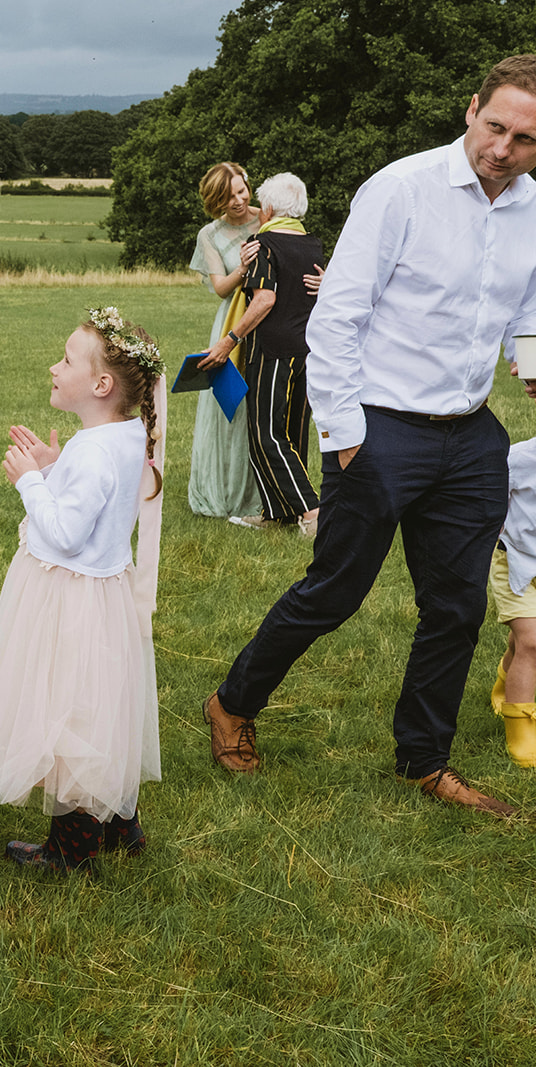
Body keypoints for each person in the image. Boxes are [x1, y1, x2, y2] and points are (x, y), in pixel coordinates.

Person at [202, 54, 536, 818]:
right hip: (378, 427)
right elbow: (338, 317)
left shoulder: (531, 209)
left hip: (471, 436)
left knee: (456, 607)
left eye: (524, 139)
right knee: (334, 591)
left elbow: (526, 313)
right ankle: (231, 702)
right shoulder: (399, 189)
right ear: (471, 108)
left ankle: (424, 759)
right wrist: (348, 439)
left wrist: (531, 361)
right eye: (495, 126)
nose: (503, 148)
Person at [0, 307, 165, 873]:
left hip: (67, 599)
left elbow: (66, 534)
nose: (54, 366)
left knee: (67, 713)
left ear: (101, 385)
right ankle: (121, 819)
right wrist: (56, 469)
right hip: (101, 599)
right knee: (102, 708)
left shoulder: (96, 450)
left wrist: (29, 481)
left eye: (67, 359)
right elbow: (94, 506)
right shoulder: (120, 435)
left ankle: (71, 851)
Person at [203, 172, 324, 537]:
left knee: (266, 434)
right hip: (308, 352)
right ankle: (276, 514)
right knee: (293, 432)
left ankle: (312, 511)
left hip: (272, 350)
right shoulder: (314, 245)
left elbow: (265, 299)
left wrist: (229, 340)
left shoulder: (264, 245)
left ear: (267, 207)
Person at [187, 161, 262, 519]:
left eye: (241, 191)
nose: (238, 200)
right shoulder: (210, 235)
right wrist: (243, 269)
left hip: (267, 317)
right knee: (228, 404)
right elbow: (220, 289)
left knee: (261, 401)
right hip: (231, 320)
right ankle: (223, 491)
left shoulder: (268, 218)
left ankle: (260, 491)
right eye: (228, 196)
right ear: (216, 199)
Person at [487, 435, 536, 767]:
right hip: (515, 563)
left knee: (524, 640)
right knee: (533, 642)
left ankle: (504, 684)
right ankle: (520, 730)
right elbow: (488, 506)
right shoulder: (517, 459)